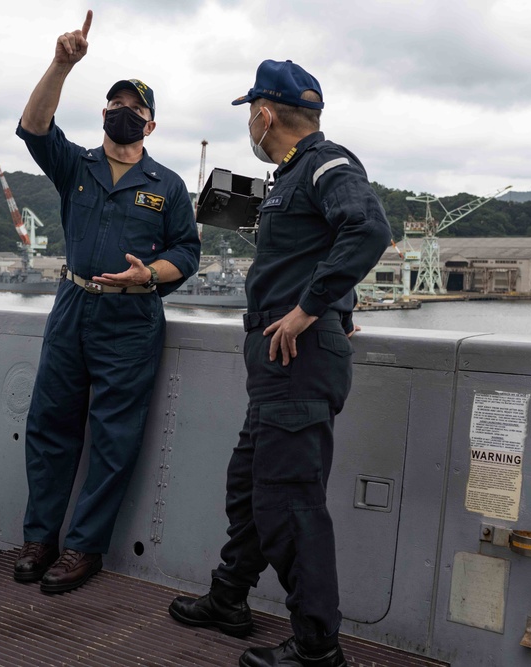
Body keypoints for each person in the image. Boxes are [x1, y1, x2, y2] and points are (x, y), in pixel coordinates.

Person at [168, 59, 392, 667]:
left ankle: (318, 647)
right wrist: (337, 307)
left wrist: (312, 309)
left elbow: (368, 229)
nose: (249, 124)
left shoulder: (326, 164)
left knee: (289, 501)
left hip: (298, 361)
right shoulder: (289, 177)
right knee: (249, 487)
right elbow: (317, 250)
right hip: (275, 366)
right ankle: (229, 597)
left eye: (250, 114)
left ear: (264, 114)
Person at [12, 10, 200, 594]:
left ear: (150, 124)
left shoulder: (167, 184)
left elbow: (187, 252)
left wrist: (150, 276)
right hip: (73, 305)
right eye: (115, 105)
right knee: (50, 425)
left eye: (135, 109)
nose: (124, 113)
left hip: (132, 318)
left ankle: (83, 548)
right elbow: (34, 126)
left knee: (114, 437)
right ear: (104, 115)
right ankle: (40, 538)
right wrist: (61, 63)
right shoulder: (76, 166)